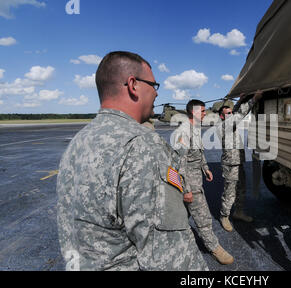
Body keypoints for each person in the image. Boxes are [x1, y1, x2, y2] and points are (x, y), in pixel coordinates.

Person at [56, 51, 208, 271]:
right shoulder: (142, 145)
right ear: (133, 84)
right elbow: (170, 257)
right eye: (154, 85)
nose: (156, 94)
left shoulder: (79, 141)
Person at [172, 100, 234, 265]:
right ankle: (214, 248)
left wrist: (205, 168)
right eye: (203, 111)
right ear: (193, 112)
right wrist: (186, 190)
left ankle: (177, 237)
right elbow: (180, 164)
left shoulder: (195, 130)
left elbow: (199, 153)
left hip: (196, 179)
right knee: (204, 218)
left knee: (182, 214)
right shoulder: (183, 132)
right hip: (189, 183)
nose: (205, 114)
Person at [216, 91, 263, 232]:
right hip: (230, 165)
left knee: (241, 189)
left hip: (238, 163)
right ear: (221, 117)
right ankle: (224, 217)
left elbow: (234, 113)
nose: (231, 114)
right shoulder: (224, 126)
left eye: (231, 113)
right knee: (229, 193)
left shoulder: (230, 122)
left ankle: (239, 212)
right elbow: (239, 115)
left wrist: (239, 100)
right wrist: (253, 99)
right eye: (227, 114)